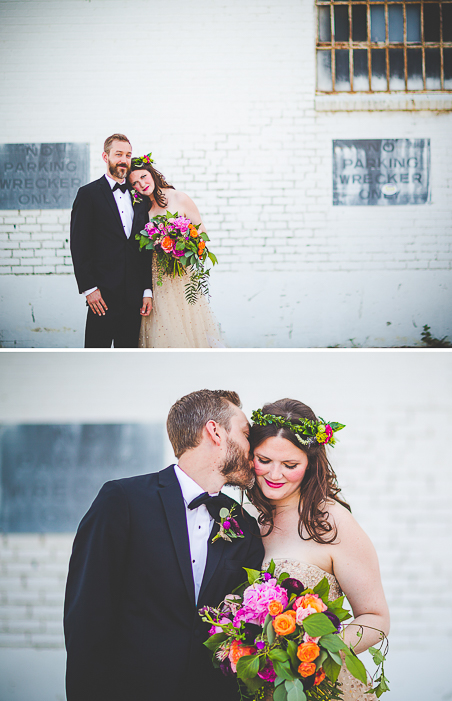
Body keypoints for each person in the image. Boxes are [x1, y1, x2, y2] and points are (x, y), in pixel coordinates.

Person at [64, 390, 264, 701]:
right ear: (214, 432)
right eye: (245, 433)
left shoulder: (245, 525)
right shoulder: (123, 501)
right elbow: (87, 616)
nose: (253, 449)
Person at [247, 398, 389, 700]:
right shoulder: (248, 524)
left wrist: (311, 653)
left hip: (323, 687)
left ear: (310, 464)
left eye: (290, 465)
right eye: (264, 460)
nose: (274, 475)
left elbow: (376, 619)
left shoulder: (331, 521)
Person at [128, 155, 226, 347]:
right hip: (156, 278)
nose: (141, 184)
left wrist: (181, 248)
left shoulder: (179, 198)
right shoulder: (141, 208)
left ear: (152, 174)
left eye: (144, 176)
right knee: (161, 330)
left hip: (180, 276)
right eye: (135, 183)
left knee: (187, 327)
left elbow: (201, 233)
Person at [69, 133, 152, 347]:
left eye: (128, 155)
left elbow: (144, 249)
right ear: (106, 157)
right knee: (96, 356)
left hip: (134, 296)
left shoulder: (140, 197)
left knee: (129, 358)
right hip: (102, 296)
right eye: (118, 154)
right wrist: (89, 289)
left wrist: (146, 290)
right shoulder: (88, 194)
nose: (124, 160)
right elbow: (79, 245)